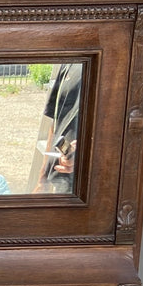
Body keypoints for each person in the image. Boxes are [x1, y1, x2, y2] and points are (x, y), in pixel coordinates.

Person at [34, 62, 82, 194]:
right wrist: (42, 178)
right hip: (60, 183)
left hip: (88, 189)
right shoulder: (70, 62)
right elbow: (55, 122)